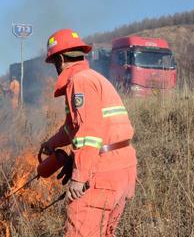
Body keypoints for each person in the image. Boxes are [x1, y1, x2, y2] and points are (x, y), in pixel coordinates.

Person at [39, 29, 137, 237]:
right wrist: (52, 143)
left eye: (54, 63)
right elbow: (72, 127)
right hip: (122, 167)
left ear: (61, 59)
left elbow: (89, 132)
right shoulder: (94, 78)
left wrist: (79, 176)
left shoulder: (80, 82)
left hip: (103, 170)